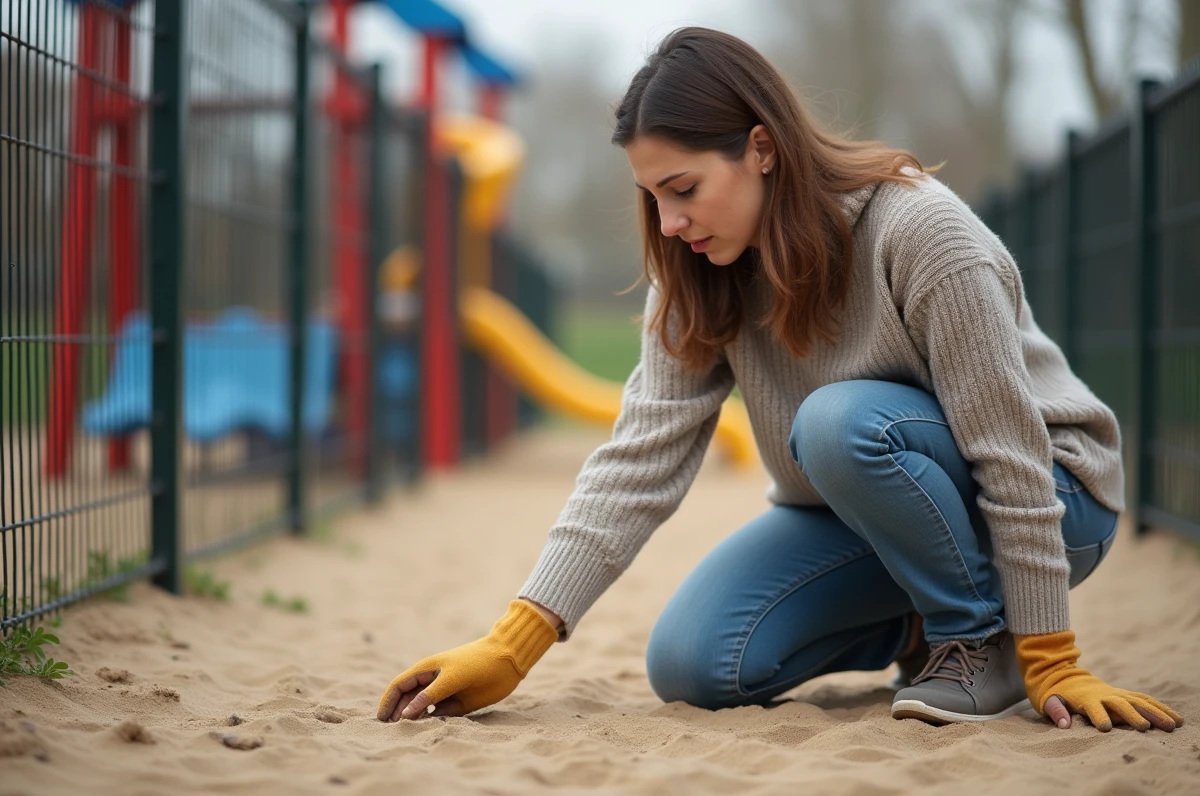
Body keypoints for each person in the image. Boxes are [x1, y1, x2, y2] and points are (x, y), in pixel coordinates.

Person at [376, 27, 1183, 733]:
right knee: (695, 663)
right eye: (652, 197)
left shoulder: (923, 233)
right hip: (873, 504)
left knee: (841, 422)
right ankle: (926, 635)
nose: (669, 224)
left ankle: (981, 642)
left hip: (1051, 496)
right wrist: (513, 643)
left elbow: (1007, 447)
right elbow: (637, 461)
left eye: (684, 190)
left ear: (761, 148)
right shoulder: (694, 275)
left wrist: (1049, 653)